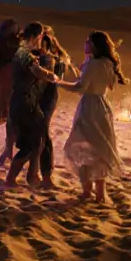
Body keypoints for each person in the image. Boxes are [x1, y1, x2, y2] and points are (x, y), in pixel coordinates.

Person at [57, 31, 128, 203]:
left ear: (94, 45)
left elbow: (80, 88)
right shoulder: (108, 63)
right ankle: (100, 193)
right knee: (100, 148)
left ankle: (87, 190)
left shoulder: (92, 64)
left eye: (88, 42)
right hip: (103, 106)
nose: (85, 44)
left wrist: (58, 82)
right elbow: (108, 85)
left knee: (84, 147)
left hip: (89, 107)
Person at [2, 22, 60, 186]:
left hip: (22, 101)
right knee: (36, 140)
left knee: (34, 141)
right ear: (35, 36)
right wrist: (52, 76)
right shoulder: (23, 53)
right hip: (25, 102)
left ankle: (20, 177)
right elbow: (36, 70)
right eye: (40, 36)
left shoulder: (20, 52)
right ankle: (13, 178)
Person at [33, 29, 79, 189]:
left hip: (45, 98)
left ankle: (45, 174)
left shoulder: (49, 59)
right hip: (44, 98)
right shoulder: (55, 57)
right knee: (39, 133)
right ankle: (38, 172)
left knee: (42, 133)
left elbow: (46, 78)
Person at [0, 19, 21, 124]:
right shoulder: (3, 43)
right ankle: (2, 116)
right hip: (4, 70)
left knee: (5, 94)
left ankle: (3, 116)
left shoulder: (12, 42)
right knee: (2, 94)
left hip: (8, 70)